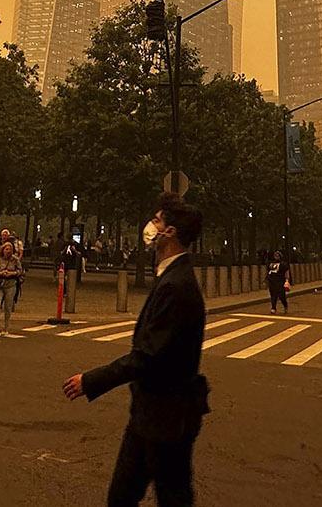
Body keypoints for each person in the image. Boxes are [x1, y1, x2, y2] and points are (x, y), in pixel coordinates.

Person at [64, 193, 209, 507]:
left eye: (157, 220)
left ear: (169, 232)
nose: (150, 226)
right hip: (154, 415)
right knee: (128, 496)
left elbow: (147, 357)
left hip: (164, 419)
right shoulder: (172, 277)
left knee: (162, 496)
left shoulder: (176, 286)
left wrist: (90, 380)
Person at [0, 228, 24, 335]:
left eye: (9, 249)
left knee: (8, 307)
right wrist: (1, 273)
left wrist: (12, 273)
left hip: (11, 285)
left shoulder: (15, 260)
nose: (8, 251)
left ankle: (6, 327)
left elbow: (20, 271)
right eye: (6, 249)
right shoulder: (0, 260)